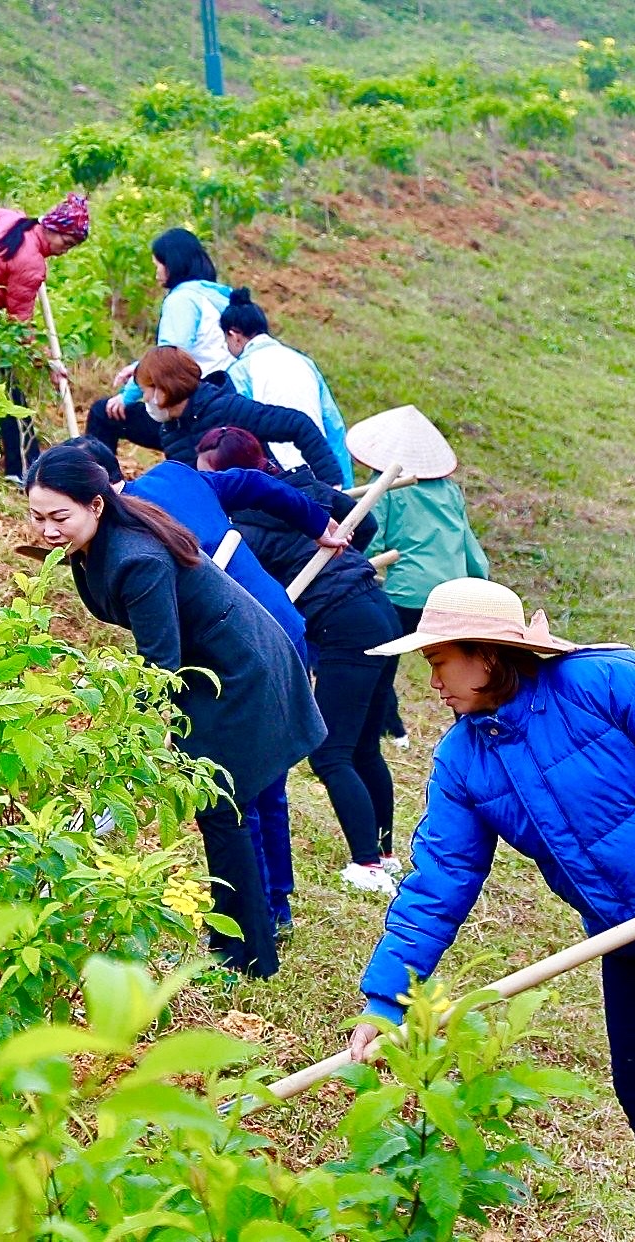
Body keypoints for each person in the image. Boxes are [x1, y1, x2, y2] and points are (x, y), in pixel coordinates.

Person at [348, 577, 635, 1242]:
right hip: (621, 934)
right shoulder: (463, 758)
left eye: (437, 662)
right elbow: (440, 880)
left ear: (486, 653)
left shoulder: (598, 681)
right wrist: (385, 1000)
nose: (432, 683)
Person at [24, 444, 326, 977]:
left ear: (96, 505)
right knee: (225, 809)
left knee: (222, 808)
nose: (46, 530)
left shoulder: (134, 557)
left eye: (58, 517)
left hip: (238, 672)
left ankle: (248, 958)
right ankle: (236, 940)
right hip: (207, 666)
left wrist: (131, 735)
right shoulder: (97, 544)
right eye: (36, 516)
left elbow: (158, 666)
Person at [196, 426, 400, 896]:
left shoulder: (241, 526)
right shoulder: (305, 489)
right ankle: (385, 855)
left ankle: (369, 864)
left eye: (211, 477)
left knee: (331, 752)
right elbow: (360, 526)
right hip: (377, 607)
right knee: (365, 745)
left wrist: (325, 573)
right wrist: (340, 558)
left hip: (342, 622)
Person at [0, 192, 91, 480]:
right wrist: (46, 362)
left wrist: (9, 215)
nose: (67, 250)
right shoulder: (31, 263)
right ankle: (23, 467)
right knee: (7, 391)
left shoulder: (12, 222)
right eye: (68, 241)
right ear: (53, 228)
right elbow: (18, 325)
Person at [84, 228, 233, 457]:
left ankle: (100, 489)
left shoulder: (182, 300)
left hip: (194, 410)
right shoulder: (222, 297)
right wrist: (136, 368)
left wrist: (127, 396)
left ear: (172, 264)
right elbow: (198, 349)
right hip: (225, 401)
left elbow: (167, 361)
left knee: (103, 414)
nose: (156, 273)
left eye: (158, 265)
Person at [344, 404, 490, 635]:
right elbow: (470, 548)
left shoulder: (385, 484)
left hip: (408, 593)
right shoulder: (449, 489)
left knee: (376, 647)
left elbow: (369, 538)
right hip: (451, 598)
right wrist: (479, 584)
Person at [126, 346, 346, 487]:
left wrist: (331, 483)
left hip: (269, 507)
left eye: (145, 390)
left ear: (163, 388)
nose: (144, 398)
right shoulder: (170, 432)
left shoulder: (227, 409)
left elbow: (298, 424)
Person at [221, 288, 354, 483]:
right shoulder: (303, 361)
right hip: (319, 466)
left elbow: (241, 437)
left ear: (234, 335)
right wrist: (344, 480)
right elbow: (333, 423)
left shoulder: (239, 372)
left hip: (280, 477)